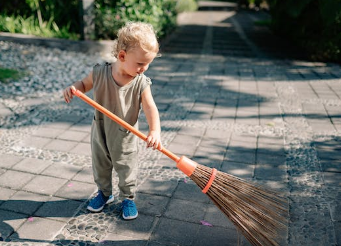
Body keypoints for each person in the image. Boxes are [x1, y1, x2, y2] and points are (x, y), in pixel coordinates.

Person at [63, 22, 162, 220]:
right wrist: (73, 88)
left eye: (148, 63)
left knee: (126, 167)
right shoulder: (100, 73)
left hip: (125, 135)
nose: (144, 68)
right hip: (100, 130)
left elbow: (151, 107)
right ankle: (104, 193)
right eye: (141, 63)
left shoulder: (140, 82)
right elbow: (83, 84)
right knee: (100, 164)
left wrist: (155, 131)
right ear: (122, 56)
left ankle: (127, 197)